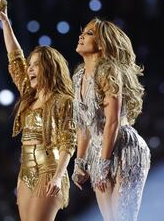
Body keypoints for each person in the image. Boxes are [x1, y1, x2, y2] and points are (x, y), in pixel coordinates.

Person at [0, 0, 76, 221]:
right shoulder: (29, 96)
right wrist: (6, 23)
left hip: (49, 169)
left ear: (50, 68)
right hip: (25, 169)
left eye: (36, 65)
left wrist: (58, 177)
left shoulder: (63, 100)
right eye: (31, 65)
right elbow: (15, 59)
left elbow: (69, 141)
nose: (30, 69)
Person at [71, 18, 151, 221]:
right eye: (83, 31)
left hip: (125, 148)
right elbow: (83, 126)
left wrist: (104, 164)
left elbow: (112, 122)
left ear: (101, 44)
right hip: (98, 151)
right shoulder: (78, 76)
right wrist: (80, 163)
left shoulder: (108, 71)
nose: (81, 35)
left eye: (89, 33)